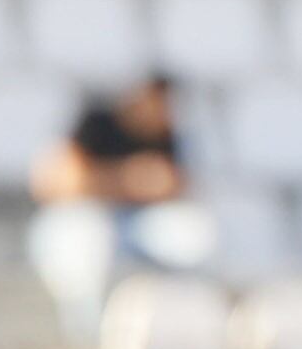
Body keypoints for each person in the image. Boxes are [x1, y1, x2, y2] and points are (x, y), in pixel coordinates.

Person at [27, 74, 210, 335]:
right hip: (81, 224)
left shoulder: (170, 137)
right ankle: (88, 331)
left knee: (190, 234)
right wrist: (128, 180)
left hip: (136, 227)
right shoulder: (97, 124)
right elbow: (56, 182)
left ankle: (179, 328)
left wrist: (160, 186)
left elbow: (181, 187)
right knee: (91, 238)